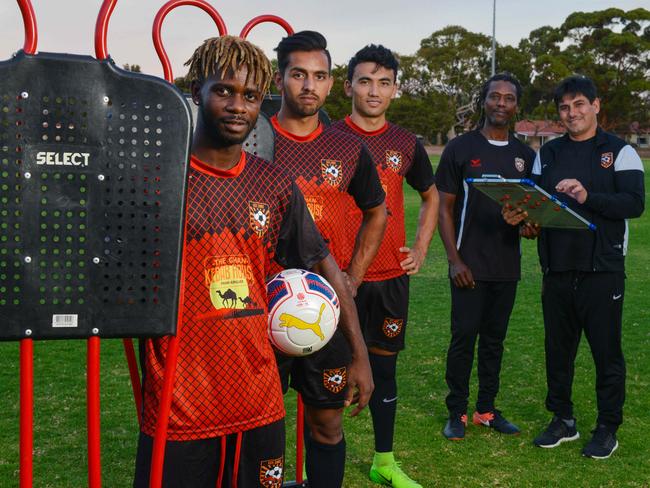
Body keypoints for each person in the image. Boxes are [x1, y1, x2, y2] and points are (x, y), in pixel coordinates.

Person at [133, 35, 360, 488]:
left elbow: (323, 264)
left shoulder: (272, 183)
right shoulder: (158, 180)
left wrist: (359, 353)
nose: (238, 105)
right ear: (196, 89)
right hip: (181, 397)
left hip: (258, 394)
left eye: (251, 95)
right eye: (224, 90)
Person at [504, 75, 645, 459]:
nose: (572, 113)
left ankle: (607, 427)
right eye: (565, 107)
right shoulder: (547, 154)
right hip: (558, 268)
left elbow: (634, 203)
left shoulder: (619, 151)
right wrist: (525, 218)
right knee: (558, 350)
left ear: (596, 106)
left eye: (579, 104)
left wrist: (588, 196)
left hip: (602, 268)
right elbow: (532, 200)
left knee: (606, 352)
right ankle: (563, 419)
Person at [271, 31, 386, 488]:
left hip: (327, 308)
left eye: (319, 76)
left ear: (331, 82)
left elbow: (376, 212)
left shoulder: (345, 146)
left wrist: (352, 280)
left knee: (327, 426)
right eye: (298, 74)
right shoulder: (254, 137)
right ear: (280, 79)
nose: (308, 86)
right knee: (260, 430)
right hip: (264, 308)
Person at [330, 44, 438, 488]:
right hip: (337, 278)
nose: (374, 91)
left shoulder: (406, 143)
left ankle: (384, 461)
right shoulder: (329, 137)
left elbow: (431, 195)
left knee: (385, 371)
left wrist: (421, 246)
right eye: (365, 81)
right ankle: (314, 456)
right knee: (326, 374)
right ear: (348, 85)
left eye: (384, 82)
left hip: (389, 278)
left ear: (396, 89)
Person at [435, 73, 535, 441]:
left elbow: (531, 214)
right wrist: (454, 260)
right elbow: (444, 208)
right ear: (484, 101)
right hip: (469, 266)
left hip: (506, 267)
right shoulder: (460, 148)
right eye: (495, 97)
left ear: (515, 106)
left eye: (509, 98)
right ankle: (456, 412)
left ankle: (486, 410)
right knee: (464, 338)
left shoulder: (526, 156)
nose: (501, 104)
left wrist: (530, 227)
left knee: (495, 341)